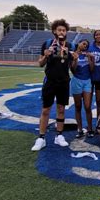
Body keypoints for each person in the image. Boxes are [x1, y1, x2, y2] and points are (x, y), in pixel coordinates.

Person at [32, 19, 77, 151]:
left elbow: (74, 68)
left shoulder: (71, 46)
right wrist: (45, 56)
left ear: (66, 32)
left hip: (64, 81)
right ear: (54, 31)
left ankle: (59, 135)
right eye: (59, 30)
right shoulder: (47, 44)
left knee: (61, 109)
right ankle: (41, 137)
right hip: (50, 81)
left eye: (63, 30)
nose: (62, 32)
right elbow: (40, 64)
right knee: (46, 109)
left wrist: (75, 59)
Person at [70, 39, 95, 138]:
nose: (85, 45)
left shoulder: (89, 54)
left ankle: (90, 129)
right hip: (76, 80)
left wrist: (90, 59)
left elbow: (92, 69)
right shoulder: (73, 54)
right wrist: (75, 59)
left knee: (88, 106)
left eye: (87, 44)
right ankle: (79, 129)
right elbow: (73, 70)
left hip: (87, 81)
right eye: (83, 43)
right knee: (78, 106)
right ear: (79, 44)